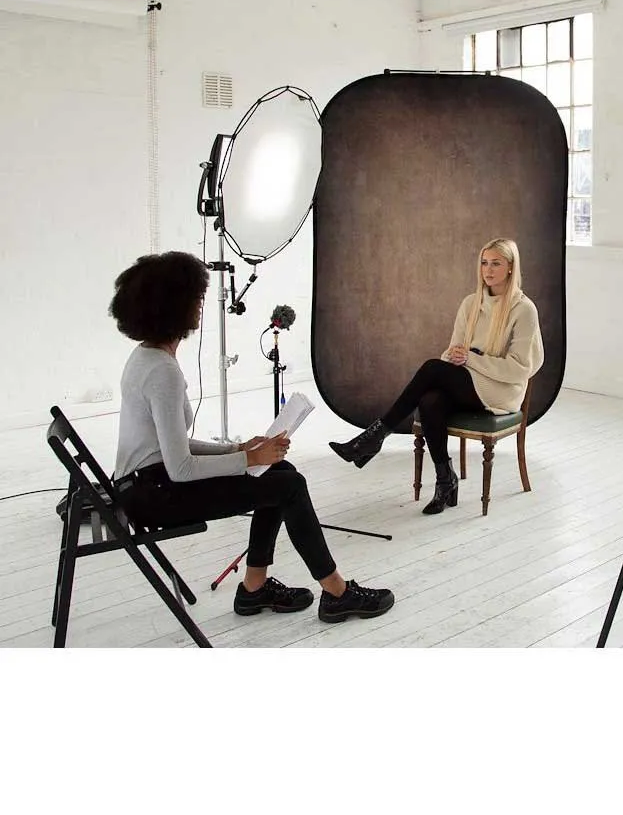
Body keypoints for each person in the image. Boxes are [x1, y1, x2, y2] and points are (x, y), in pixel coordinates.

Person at [109, 251, 395, 624]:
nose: (201, 305)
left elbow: (168, 445)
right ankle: (337, 593)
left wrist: (239, 449)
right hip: (155, 496)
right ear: (173, 306)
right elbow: (180, 467)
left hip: (145, 485)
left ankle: (254, 589)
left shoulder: (146, 357)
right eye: (196, 297)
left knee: (277, 474)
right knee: (288, 484)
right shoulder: (162, 372)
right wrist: (249, 459)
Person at [330, 237, 544, 515]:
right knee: (430, 400)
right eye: (484, 263)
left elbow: (520, 369)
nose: (488, 270)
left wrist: (471, 358)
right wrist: (455, 356)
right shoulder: (470, 303)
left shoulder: (523, 309)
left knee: (432, 368)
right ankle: (445, 481)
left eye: (496, 264)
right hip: (467, 382)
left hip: (500, 392)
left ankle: (375, 437)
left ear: (511, 267)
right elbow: (452, 353)